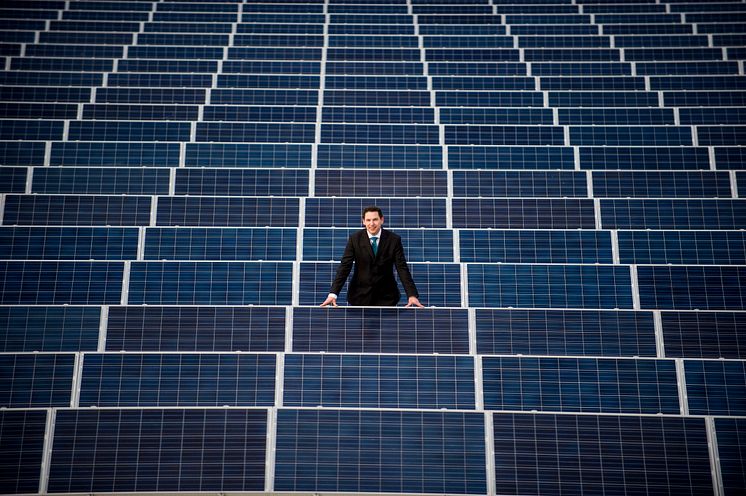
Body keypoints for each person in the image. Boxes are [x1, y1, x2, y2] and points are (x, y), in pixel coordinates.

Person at [320, 206, 424, 307]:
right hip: (359, 297)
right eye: (368, 220)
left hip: (387, 298)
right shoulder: (354, 239)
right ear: (363, 221)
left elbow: (402, 268)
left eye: (375, 220)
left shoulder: (394, 240)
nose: (372, 224)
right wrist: (333, 293)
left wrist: (412, 295)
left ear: (382, 220)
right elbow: (344, 267)